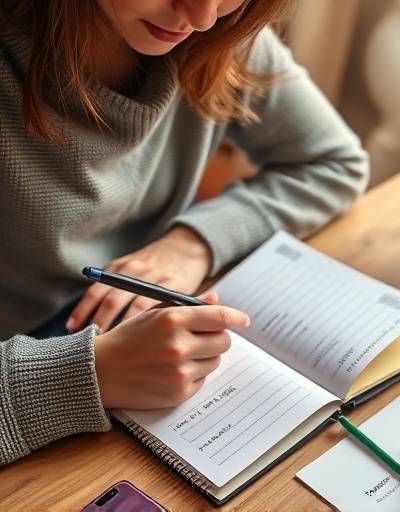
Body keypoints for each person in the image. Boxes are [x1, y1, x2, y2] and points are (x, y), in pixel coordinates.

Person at [0, 0, 369, 465]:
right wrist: (89, 374)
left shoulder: (224, 32)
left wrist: (191, 246)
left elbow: (335, 163)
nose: (201, 18)